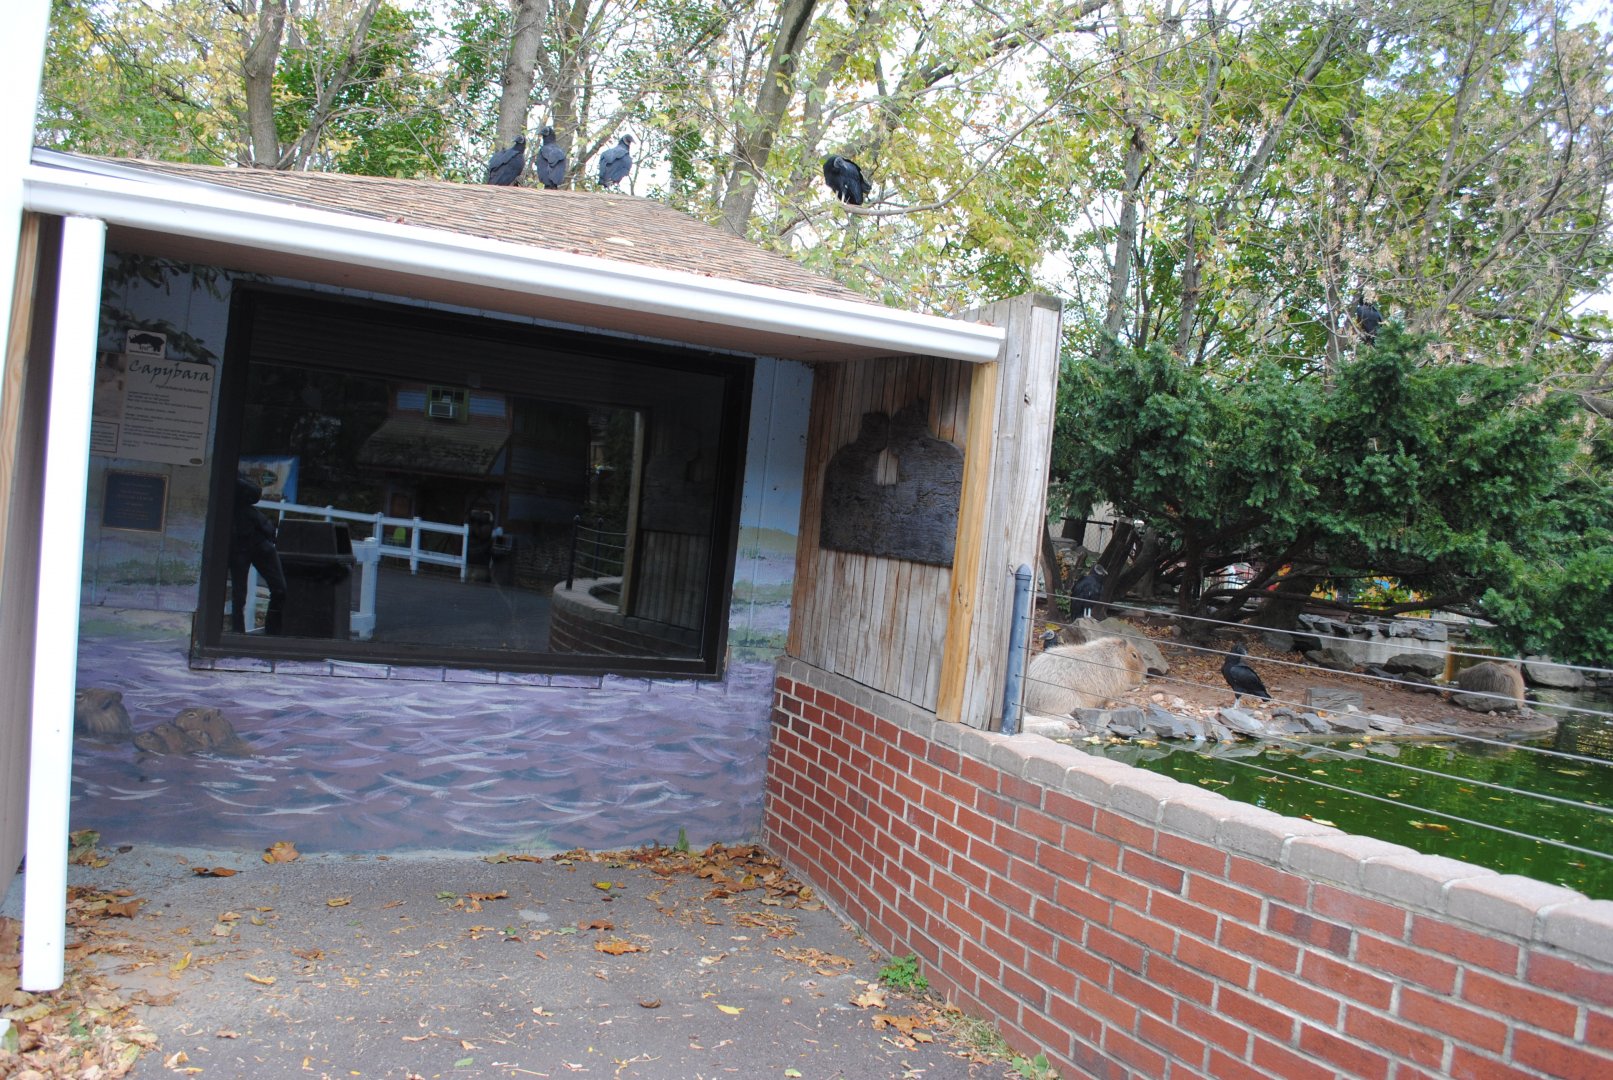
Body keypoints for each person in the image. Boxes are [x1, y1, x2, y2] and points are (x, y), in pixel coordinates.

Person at [230, 476, 287, 634]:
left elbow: (254, 493)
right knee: (238, 596)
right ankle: (237, 634)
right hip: (237, 546)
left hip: (258, 542)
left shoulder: (236, 478)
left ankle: (272, 632)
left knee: (280, 589)